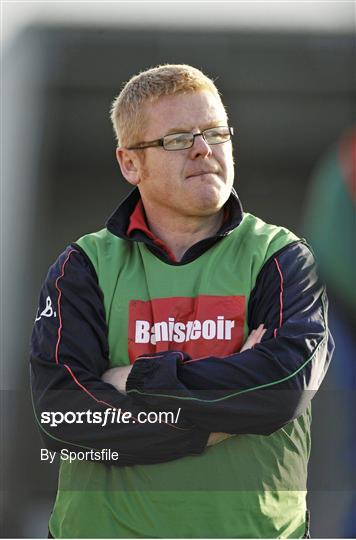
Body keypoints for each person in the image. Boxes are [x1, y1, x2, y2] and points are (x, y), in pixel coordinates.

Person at [30, 64, 334, 539]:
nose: (202, 148)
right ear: (130, 163)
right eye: (177, 139)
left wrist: (135, 379)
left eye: (215, 132)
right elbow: (64, 415)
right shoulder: (83, 267)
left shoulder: (282, 257)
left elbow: (283, 389)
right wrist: (213, 426)